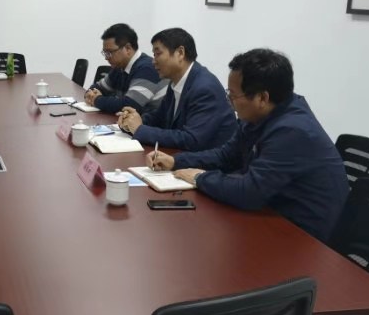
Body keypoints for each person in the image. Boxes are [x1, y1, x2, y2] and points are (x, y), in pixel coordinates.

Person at [148, 49, 349, 243]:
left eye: (233, 96)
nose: (229, 102)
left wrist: (200, 178)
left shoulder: (293, 131)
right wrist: (176, 161)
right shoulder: (260, 115)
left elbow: (249, 192)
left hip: (303, 236)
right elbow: (226, 156)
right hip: (270, 213)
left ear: (262, 98)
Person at [118, 27, 236, 151]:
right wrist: (133, 120)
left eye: (158, 54)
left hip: (208, 160)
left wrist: (140, 129)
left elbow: (191, 139)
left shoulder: (204, 88)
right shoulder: (176, 81)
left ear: (180, 53)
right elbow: (159, 118)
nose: (153, 61)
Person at [84, 23, 166, 114]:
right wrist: (91, 94)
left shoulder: (147, 68)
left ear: (128, 48)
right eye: (105, 53)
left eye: (110, 52)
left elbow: (129, 105)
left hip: (152, 121)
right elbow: (98, 87)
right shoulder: (119, 67)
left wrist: (97, 100)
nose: (106, 58)